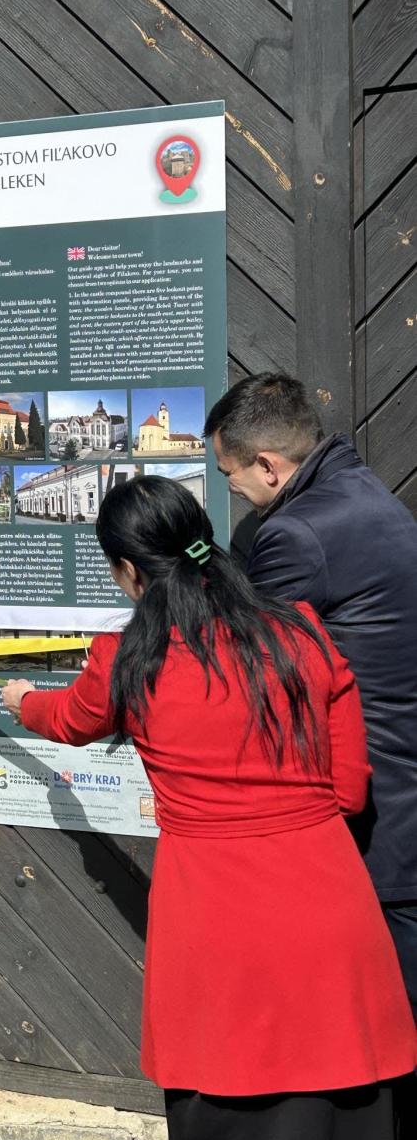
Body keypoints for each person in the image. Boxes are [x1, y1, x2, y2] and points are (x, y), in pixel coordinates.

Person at [1, 475, 415, 1140]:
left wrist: (21, 701)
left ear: (129, 570)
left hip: (213, 922)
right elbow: (347, 791)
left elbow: (69, 718)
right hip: (330, 910)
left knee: (229, 1123)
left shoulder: (128, 659)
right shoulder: (301, 632)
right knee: (351, 1124)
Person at [204, 376, 417, 998]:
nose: (229, 487)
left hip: (378, 802)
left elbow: (253, 665)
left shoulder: (296, 533)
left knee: (389, 997)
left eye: (228, 471)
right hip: (402, 776)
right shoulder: (361, 490)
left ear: (269, 466)